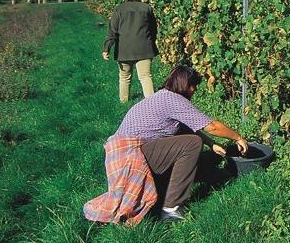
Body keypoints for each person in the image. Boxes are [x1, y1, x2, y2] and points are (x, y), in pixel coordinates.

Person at [84, 65, 249, 224]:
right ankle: (172, 208)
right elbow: (211, 126)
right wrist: (238, 137)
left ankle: (166, 189)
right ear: (184, 85)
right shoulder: (173, 100)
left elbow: (185, 126)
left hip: (123, 155)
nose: (195, 89)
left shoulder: (162, 96)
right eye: (193, 85)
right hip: (130, 157)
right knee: (192, 144)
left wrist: (211, 143)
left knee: (189, 143)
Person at [103, 0, 157, 103]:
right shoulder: (146, 8)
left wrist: (107, 48)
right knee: (145, 76)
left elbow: (113, 30)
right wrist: (151, 41)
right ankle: (152, 104)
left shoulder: (119, 9)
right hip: (144, 48)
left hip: (124, 50)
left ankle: (124, 102)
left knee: (124, 77)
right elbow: (153, 29)